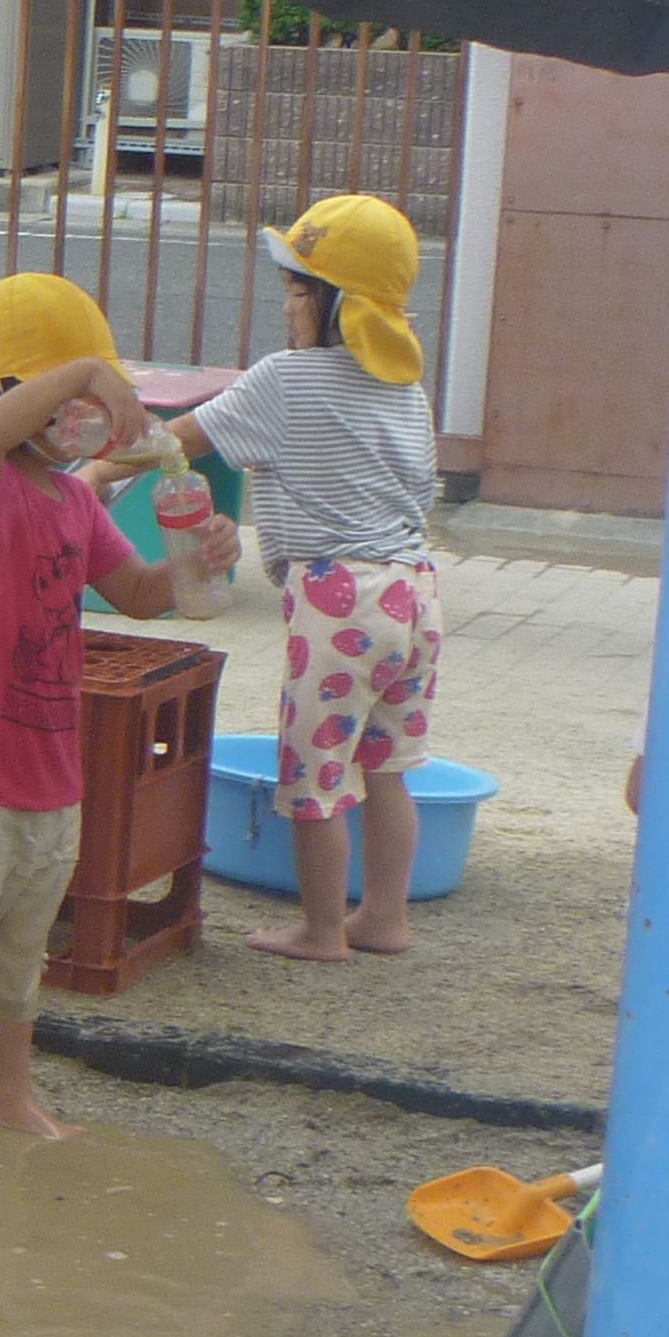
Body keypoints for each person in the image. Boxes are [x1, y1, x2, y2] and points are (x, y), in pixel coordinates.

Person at [0, 275, 237, 1163]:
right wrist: (80, 365)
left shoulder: (76, 501)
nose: (87, 417)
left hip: (49, 774)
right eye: (74, 400)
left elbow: (145, 596)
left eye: (95, 402)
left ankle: (8, 1097)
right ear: (13, 397)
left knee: (15, 961)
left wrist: (199, 552)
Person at [156, 194, 442, 966]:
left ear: (335, 304)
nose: (286, 307)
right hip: (414, 590)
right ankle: (384, 918)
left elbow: (175, 438)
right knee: (389, 769)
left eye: (295, 289)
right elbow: (421, 496)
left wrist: (86, 474)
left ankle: (321, 931)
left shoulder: (286, 380)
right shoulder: (407, 391)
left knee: (313, 773)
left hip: (336, 595)